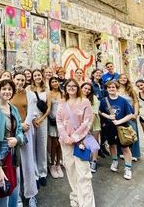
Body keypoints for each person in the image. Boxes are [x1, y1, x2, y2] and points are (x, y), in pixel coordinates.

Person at [56, 79, 95, 207]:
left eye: (74, 86)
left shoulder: (85, 102)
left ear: (77, 88)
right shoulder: (62, 103)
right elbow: (59, 121)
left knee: (83, 173)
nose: (71, 88)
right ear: (65, 88)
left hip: (81, 142)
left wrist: (75, 137)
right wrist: (65, 137)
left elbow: (88, 122)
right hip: (65, 142)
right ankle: (76, 196)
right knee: (71, 170)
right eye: (69, 86)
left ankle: (87, 203)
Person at [0, 79, 24, 207]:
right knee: (1, 186)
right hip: (0, 152)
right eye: (4, 89)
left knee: (14, 184)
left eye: (9, 89)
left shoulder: (13, 108)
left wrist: (17, 140)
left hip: (14, 151)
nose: (7, 91)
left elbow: (20, 130)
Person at [11, 73, 38, 207]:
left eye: (22, 80)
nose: (20, 82)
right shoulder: (7, 92)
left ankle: (31, 194)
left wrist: (24, 125)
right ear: (13, 79)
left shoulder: (30, 95)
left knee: (28, 163)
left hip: (25, 131)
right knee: (14, 165)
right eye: (18, 79)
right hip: (11, 132)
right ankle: (18, 196)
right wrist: (16, 126)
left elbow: (31, 112)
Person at [99, 81, 134, 180]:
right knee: (112, 145)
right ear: (106, 89)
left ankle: (128, 168)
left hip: (122, 127)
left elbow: (130, 114)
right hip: (110, 127)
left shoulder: (123, 101)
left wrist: (119, 122)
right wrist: (108, 116)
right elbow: (100, 112)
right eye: (109, 87)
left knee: (125, 148)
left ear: (116, 88)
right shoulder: (103, 101)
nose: (111, 89)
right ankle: (114, 161)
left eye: (113, 87)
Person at [26, 69, 48, 187]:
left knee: (42, 146)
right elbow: (27, 105)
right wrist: (33, 119)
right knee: (32, 147)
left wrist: (41, 119)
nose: (37, 77)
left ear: (42, 76)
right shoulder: (28, 89)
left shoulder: (46, 89)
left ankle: (43, 172)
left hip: (43, 120)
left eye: (39, 75)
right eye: (35, 75)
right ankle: (35, 174)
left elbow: (48, 107)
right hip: (31, 119)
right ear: (32, 77)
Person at [117, 74, 141, 161]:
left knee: (132, 133)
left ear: (127, 80)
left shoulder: (130, 90)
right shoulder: (115, 89)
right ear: (118, 79)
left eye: (125, 78)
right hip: (120, 115)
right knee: (121, 133)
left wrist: (135, 113)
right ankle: (121, 152)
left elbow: (135, 102)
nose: (123, 79)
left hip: (130, 114)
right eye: (121, 78)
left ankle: (134, 153)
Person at [80, 82, 101, 173]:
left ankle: (94, 161)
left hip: (93, 124)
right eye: (85, 88)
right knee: (84, 142)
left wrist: (89, 127)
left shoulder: (94, 98)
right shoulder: (78, 98)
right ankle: (86, 159)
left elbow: (94, 114)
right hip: (82, 124)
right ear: (81, 88)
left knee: (94, 143)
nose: (87, 90)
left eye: (89, 89)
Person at [46, 77, 63, 179]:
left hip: (62, 122)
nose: (55, 83)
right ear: (50, 84)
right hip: (53, 121)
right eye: (52, 82)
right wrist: (47, 118)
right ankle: (52, 164)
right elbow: (48, 109)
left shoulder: (63, 93)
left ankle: (58, 164)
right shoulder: (49, 94)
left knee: (60, 143)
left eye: (56, 81)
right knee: (53, 144)